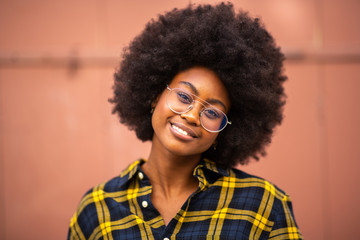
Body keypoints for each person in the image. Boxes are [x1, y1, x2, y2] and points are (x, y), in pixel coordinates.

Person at [68, 2, 303, 239]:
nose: (191, 116)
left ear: (224, 131)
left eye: (211, 112)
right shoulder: (96, 210)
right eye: (183, 96)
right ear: (154, 96)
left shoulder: (263, 206)